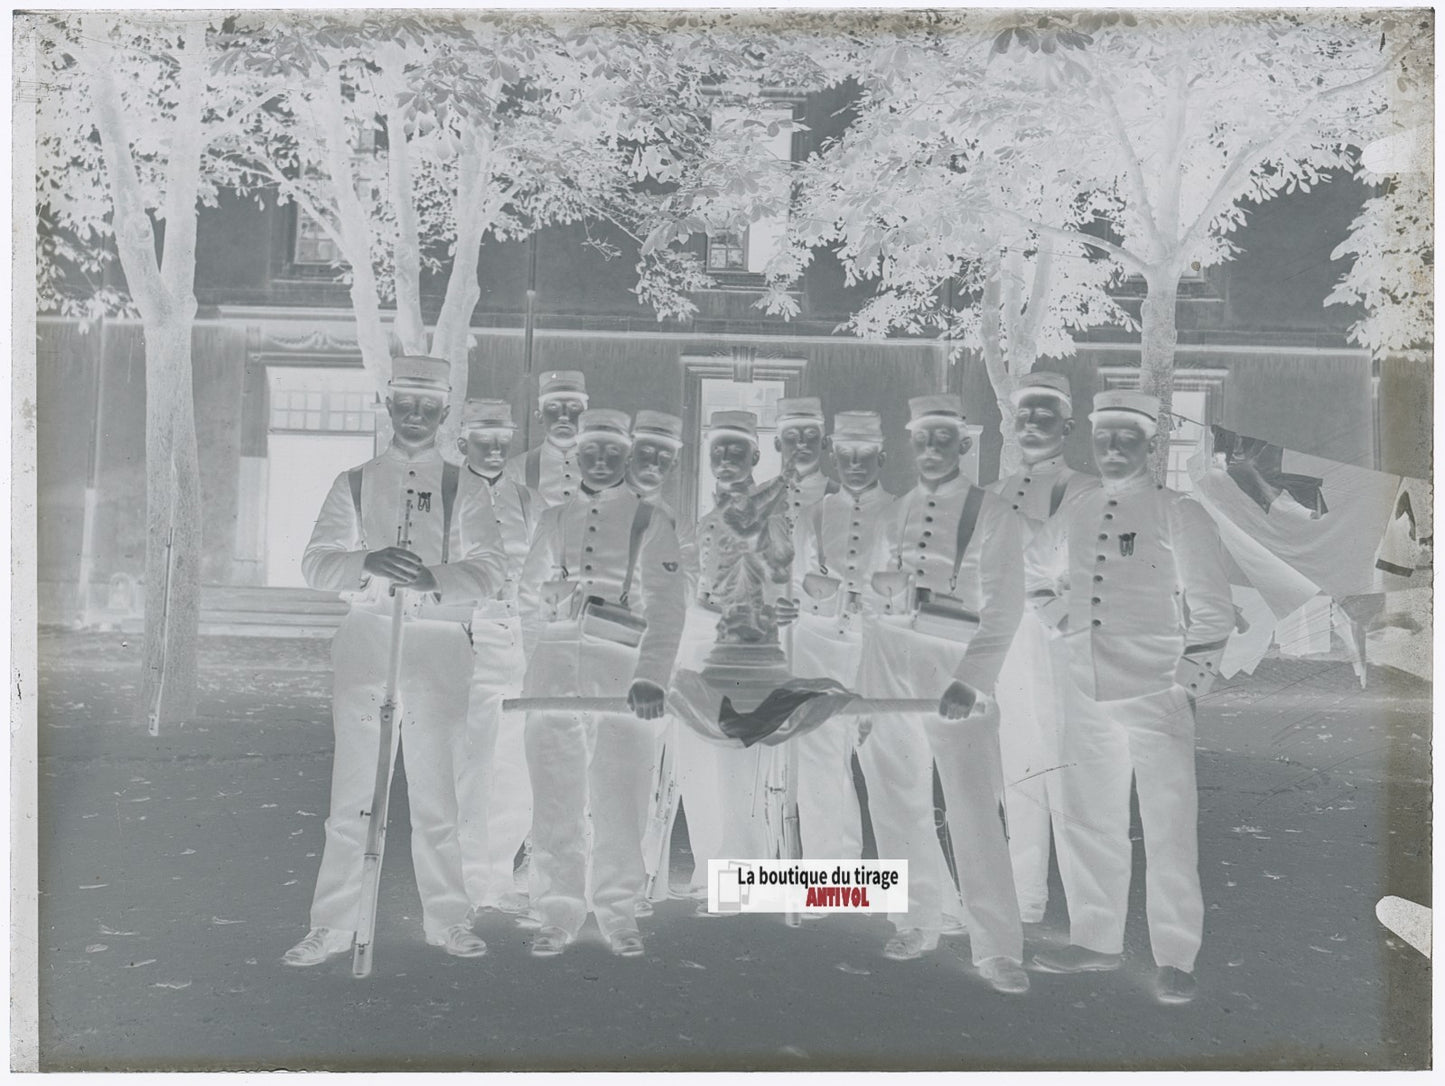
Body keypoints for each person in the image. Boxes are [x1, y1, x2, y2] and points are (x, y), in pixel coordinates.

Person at [283, 356, 505, 967]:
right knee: (352, 795)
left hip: (437, 650)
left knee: (438, 797)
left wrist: (434, 576)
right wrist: (368, 562)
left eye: (428, 406)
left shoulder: (468, 486)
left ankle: (449, 918)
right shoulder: (352, 482)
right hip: (367, 642)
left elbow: (490, 570)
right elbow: (314, 563)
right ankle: (329, 923)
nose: (415, 415)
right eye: (404, 402)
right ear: (387, 403)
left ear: (444, 411)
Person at [1025, 389, 1233, 1005]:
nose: (1113, 448)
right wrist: (1062, 621)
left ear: (1150, 443)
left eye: (1127, 437)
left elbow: (1214, 611)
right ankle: (1094, 939)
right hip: (1085, 686)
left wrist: (1186, 686)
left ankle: (1176, 954)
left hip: (1158, 690)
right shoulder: (1079, 507)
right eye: (1103, 437)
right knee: (1090, 815)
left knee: (1169, 825)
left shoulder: (1180, 513)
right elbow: (1034, 571)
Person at [853, 393, 1030, 995]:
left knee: (974, 808)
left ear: (963, 444)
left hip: (954, 671)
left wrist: (972, 680)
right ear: (912, 443)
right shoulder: (891, 512)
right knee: (893, 799)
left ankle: (998, 946)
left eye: (943, 439)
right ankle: (916, 917)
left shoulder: (995, 514)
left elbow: (1005, 611)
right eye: (921, 439)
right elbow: (869, 598)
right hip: (888, 667)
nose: (931, 450)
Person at [517, 408, 686, 958]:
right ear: (577, 455)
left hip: (623, 680)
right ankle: (558, 910)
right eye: (591, 451)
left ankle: (617, 910)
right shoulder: (554, 519)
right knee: (555, 798)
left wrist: (652, 677)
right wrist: (538, 661)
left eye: (613, 452)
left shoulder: (649, 521)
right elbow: (528, 599)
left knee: (621, 798)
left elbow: (665, 609)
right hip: (555, 675)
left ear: (628, 456)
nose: (601, 460)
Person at [990, 372, 1100, 924]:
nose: (1032, 422)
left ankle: (1088, 913)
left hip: (1059, 643)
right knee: (1018, 766)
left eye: (1045, 412)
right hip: (1008, 645)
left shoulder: (1085, 491)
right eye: (1024, 413)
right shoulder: (996, 493)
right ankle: (1025, 892)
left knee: (1069, 772)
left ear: (1067, 424)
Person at [675, 410, 792, 913]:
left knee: (736, 758)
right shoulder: (704, 522)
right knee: (698, 755)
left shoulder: (772, 513)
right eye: (718, 450)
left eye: (736, 450)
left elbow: (782, 580)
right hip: (708, 642)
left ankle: (742, 875)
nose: (725, 459)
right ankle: (711, 867)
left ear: (755, 456)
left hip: (751, 646)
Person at [779, 410, 891, 866]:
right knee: (821, 762)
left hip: (876, 648)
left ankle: (930, 893)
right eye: (845, 453)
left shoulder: (900, 512)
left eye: (865, 453)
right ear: (834, 455)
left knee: (886, 764)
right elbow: (791, 579)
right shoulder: (815, 514)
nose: (855, 463)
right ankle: (832, 877)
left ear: (881, 456)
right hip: (817, 646)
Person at [453, 398, 536, 920]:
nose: (496, 448)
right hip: (468, 636)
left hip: (518, 635)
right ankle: (466, 875)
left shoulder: (526, 500)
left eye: (503, 439)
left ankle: (501, 873)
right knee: (472, 761)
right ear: (463, 443)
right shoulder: (448, 492)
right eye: (485, 439)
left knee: (514, 762)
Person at [625, 410, 696, 915]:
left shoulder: (666, 519)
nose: (653, 464)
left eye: (663, 458)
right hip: (586, 651)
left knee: (639, 772)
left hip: (641, 656)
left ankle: (634, 874)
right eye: (646, 453)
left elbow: (671, 599)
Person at [504, 370, 588, 509]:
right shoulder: (515, 470)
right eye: (553, 406)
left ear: (585, 416)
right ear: (539, 416)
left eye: (573, 406)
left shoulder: (605, 469)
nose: (564, 415)